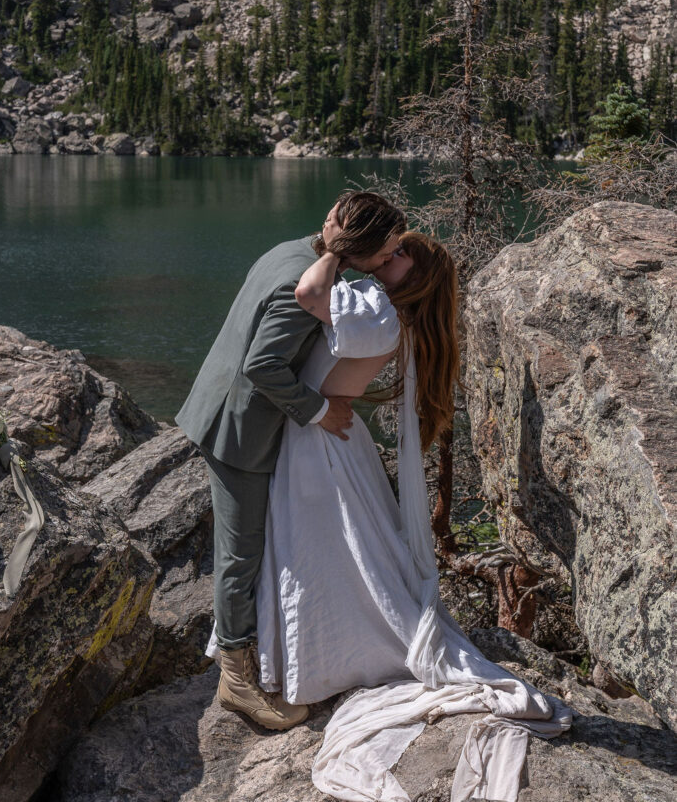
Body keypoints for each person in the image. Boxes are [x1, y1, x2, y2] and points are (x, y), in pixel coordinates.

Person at [230, 215, 572, 802]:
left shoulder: (376, 316)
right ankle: (301, 651)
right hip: (325, 438)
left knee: (317, 552)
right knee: (327, 552)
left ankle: (321, 658)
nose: (389, 256)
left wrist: (337, 246)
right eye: (390, 249)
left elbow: (308, 293)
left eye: (400, 255)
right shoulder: (377, 309)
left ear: (418, 279)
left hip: (318, 446)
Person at [175, 191, 407, 730]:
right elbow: (263, 367)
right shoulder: (298, 289)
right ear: (364, 251)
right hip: (240, 432)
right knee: (241, 552)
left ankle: (254, 654)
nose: (392, 256)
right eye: (389, 249)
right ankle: (235, 678)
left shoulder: (292, 251)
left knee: (246, 548)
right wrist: (319, 410)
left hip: (222, 410)